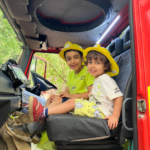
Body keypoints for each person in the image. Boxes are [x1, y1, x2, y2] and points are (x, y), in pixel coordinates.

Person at [6, 42, 94, 141]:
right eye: (69, 59)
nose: (72, 61)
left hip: (83, 104)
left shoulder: (87, 71)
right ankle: (36, 131)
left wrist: (67, 96)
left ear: (82, 58)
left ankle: (31, 129)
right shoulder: (71, 75)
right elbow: (66, 93)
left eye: (76, 57)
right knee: (52, 99)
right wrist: (56, 97)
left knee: (55, 100)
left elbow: (90, 94)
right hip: (72, 102)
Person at [28, 44, 123, 130]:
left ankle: (41, 115)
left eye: (97, 63)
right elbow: (68, 93)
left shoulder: (105, 79)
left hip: (102, 111)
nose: (92, 66)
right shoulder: (97, 78)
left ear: (106, 66)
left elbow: (118, 96)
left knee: (72, 102)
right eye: (90, 62)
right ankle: (39, 122)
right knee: (58, 100)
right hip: (95, 107)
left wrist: (115, 116)